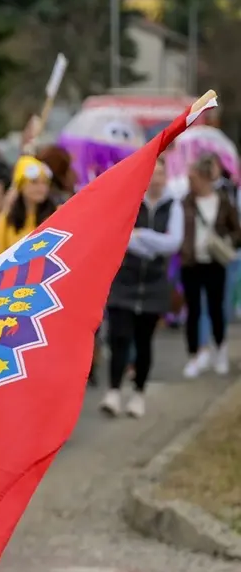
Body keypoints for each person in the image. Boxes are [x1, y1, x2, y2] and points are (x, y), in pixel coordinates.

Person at [103, 156, 182, 417]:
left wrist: (142, 237)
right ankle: (113, 390)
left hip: (154, 283)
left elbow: (173, 243)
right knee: (119, 336)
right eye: (152, 173)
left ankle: (138, 393)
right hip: (125, 280)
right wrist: (148, 243)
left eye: (161, 173)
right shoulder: (131, 199)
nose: (156, 179)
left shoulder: (173, 206)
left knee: (144, 340)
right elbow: (119, 234)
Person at [179, 155, 241, 378]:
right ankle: (195, 354)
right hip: (191, 263)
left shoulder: (223, 201)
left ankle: (220, 349)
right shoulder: (185, 202)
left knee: (217, 309)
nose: (190, 182)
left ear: (204, 178)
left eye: (193, 178)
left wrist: (227, 242)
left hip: (215, 262)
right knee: (193, 310)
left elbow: (237, 231)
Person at [0, 156, 57, 253]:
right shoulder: (7, 220)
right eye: (34, 182)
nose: (41, 188)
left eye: (45, 183)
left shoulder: (57, 214)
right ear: (21, 186)